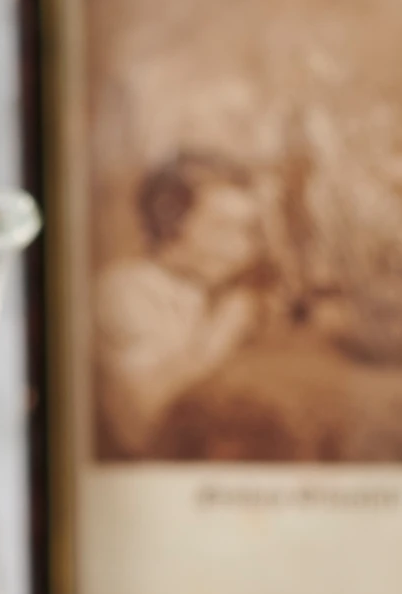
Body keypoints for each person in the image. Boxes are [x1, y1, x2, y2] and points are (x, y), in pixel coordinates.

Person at [91, 152, 275, 458]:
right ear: (170, 222)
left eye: (248, 231)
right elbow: (140, 423)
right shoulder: (123, 291)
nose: (243, 247)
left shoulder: (214, 290)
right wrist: (220, 333)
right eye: (221, 227)